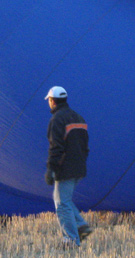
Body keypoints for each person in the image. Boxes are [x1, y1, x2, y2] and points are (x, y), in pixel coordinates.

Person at [44, 86, 93, 248]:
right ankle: (80, 225)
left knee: (62, 204)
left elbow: (56, 147)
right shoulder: (78, 117)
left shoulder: (57, 119)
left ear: (52, 101)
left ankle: (71, 240)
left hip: (65, 167)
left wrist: (51, 168)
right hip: (79, 166)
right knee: (64, 199)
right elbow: (85, 144)